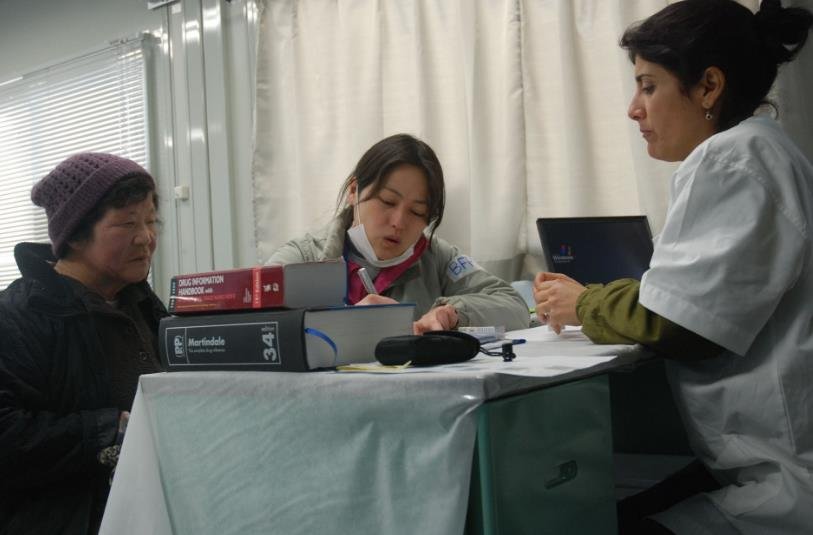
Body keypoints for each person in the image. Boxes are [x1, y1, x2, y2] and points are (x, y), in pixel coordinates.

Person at [533, 0, 813, 533]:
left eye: (648, 85)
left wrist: (584, 303)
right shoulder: (764, 151)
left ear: (708, 87)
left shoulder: (733, 158)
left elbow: (676, 321)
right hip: (767, 462)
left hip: (784, 481)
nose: (633, 109)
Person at [0, 153, 168, 534]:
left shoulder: (142, 303)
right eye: (127, 223)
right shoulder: (19, 316)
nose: (146, 237)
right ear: (75, 235)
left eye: (150, 221)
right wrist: (113, 430)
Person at [267, 133, 530, 334]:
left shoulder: (437, 257)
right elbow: (249, 329)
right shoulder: (302, 257)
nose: (399, 222)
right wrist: (342, 326)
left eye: (416, 212)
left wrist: (453, 313)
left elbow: (514, 307)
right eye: (388, 202)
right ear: (353, 191)